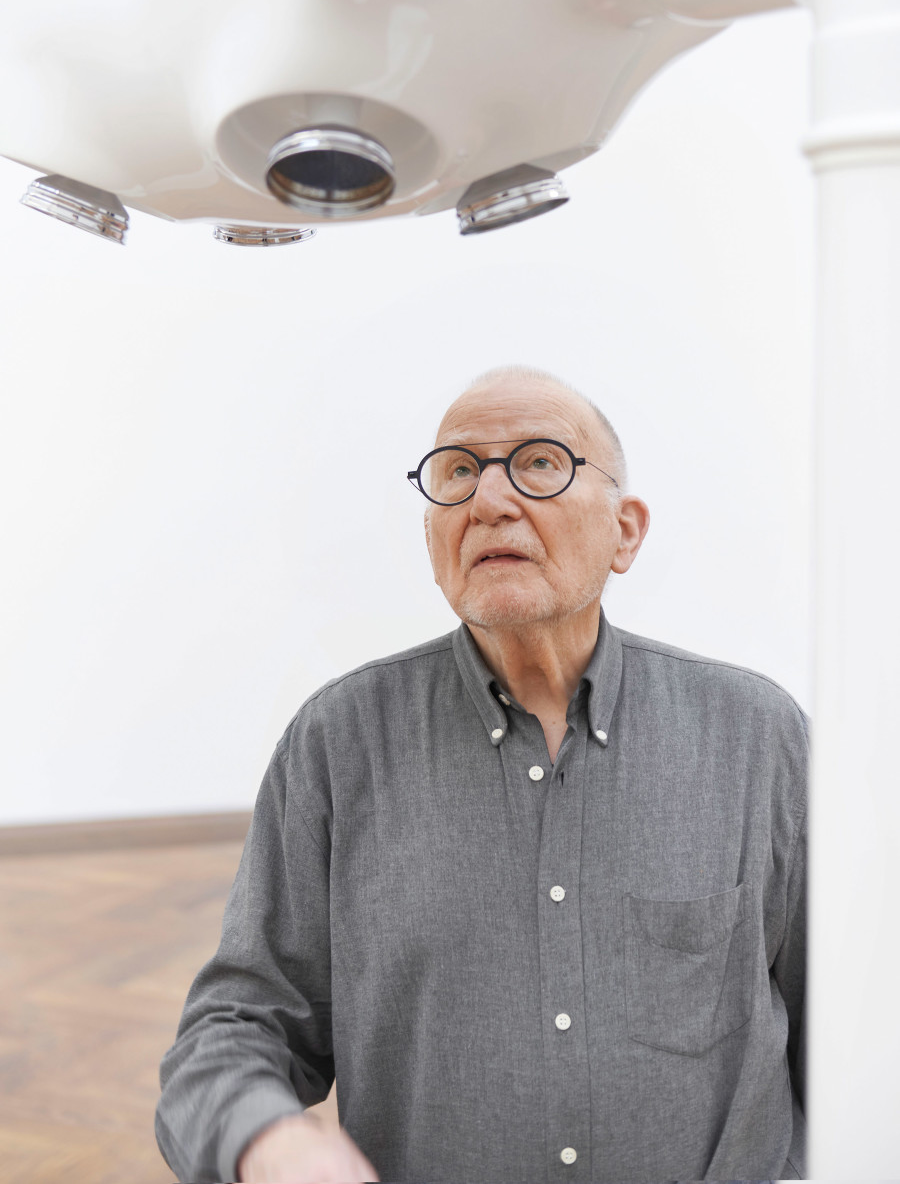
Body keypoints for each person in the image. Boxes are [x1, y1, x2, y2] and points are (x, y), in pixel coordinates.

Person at [155, 365, 806, 1184]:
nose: (488, 501)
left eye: (540, 463)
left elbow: (851, 1030)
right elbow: (236, 1027)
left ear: (626, 532)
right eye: (457, 472)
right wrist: (266, 1142)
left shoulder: (760, 737)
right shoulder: (336, 744)